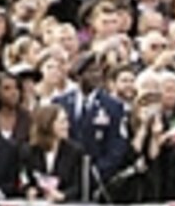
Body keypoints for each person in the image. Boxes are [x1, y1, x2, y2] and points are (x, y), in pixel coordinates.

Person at [53, 53, 130, 191]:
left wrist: (98, 172)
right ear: (78, 76)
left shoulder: (112, 106)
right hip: (65, 176)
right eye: (91, 71)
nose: (96, 76)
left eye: (98, 71)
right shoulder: (60, 102)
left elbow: (117, 144)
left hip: (98, 176)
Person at [22, 104, 85, 202]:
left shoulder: (75, 151)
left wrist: (63, 195)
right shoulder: (29, 151)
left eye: (66, 121)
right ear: (48, 124)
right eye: (62, 122)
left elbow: (78, 186)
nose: (67, 126)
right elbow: (24, 179)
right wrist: (28, 190)